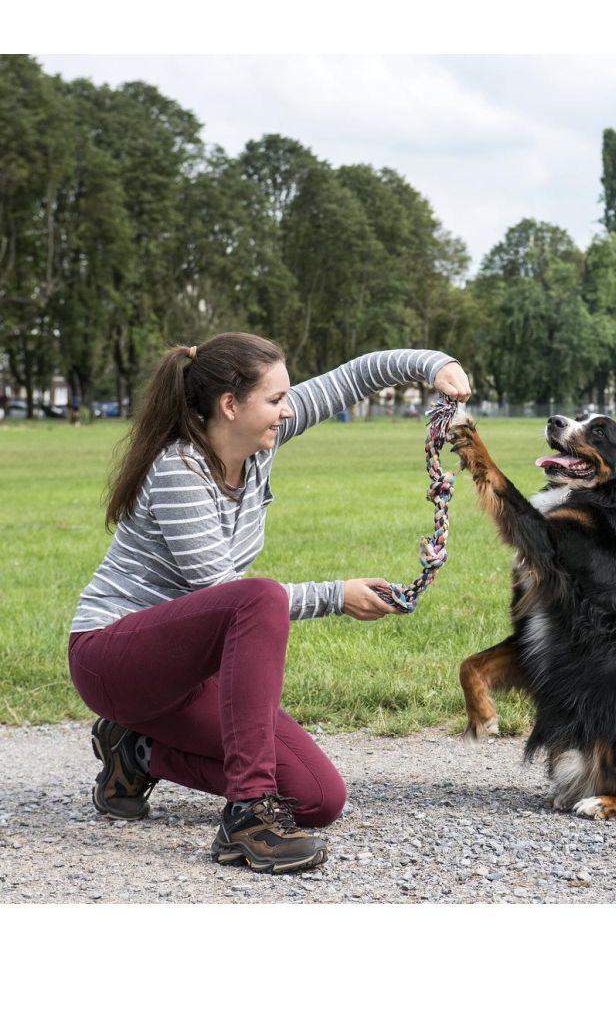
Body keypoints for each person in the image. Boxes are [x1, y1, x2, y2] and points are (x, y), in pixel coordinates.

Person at [68, 334, 471, 875]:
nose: (288, 409)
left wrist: (436, 365)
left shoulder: (258, 445)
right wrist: (336, 595)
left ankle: (135, 751)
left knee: (317, 798)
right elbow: (222, 594)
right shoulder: (179, 470)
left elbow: (354, 376)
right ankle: (247, 819)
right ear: (230, 406)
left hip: (187, 673)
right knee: (253, 596)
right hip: (115, 660)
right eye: (276, 399)